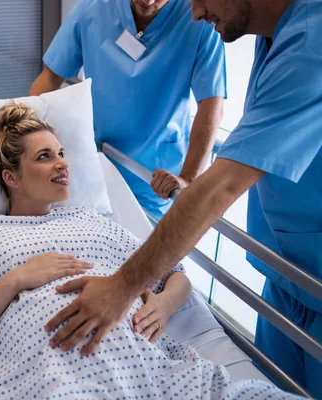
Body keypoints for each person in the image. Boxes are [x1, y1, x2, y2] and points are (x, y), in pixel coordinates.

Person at [0, 103, 300, 399]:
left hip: (141, 365)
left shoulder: (93, 221)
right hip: (47, 372)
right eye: (44, 157)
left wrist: (164, 306)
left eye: (62, 153)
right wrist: (16, 279)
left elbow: (175, 275)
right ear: (10, 177)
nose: (62, 164)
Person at [43, 0, 322, 396]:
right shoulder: (275, 33)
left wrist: (125, 289)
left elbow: (219, 190)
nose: (193, 13)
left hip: (312, 272)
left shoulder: (312, 41)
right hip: (285, 273)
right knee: (272, 386)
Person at [29, 0, 226, 218]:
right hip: (94, 162)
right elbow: (50, 77)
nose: (148, 1)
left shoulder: (198, 19)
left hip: (156, 179)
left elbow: (211, 104)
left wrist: (188, 178)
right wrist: (23, 134)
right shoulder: (93, 8)